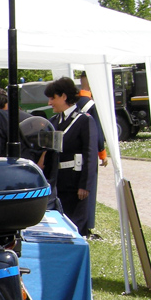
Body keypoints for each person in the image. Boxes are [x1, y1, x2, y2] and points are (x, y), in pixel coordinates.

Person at [45, 76, 98, 236]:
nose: (49, 103)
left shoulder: (83, 121)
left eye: (52, 98)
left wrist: (85, 185)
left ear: (64, 96)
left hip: (75, 183)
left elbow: (90, 154)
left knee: (74, 227)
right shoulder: (54, 121)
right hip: (58, 181)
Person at [77, 72, 107, 237]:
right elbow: (97, 133)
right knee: (90, 187)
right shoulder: (91, 105)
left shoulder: (75, 102)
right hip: (88, 151)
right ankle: (87, 225)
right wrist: (102, 153)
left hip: (74, 152)